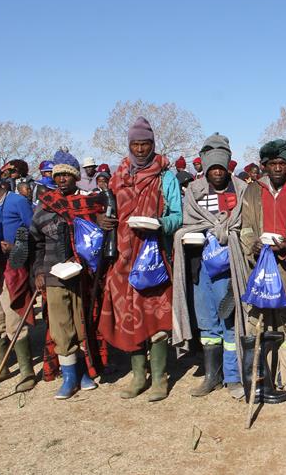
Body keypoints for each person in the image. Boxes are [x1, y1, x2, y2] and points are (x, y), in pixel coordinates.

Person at [97, 117, 183, 402]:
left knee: (155, 315)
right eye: (136, 144)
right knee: (129, 316)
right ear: (129, 145)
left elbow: (178, 217)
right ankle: (138, 376)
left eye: (146, 144)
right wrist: (103, 221)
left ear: (153, 144)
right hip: (122, 257)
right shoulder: (117, 177)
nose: (141, 149)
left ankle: (159, 378)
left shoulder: (165, 177)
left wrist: (159, 224)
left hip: (154, 258)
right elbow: (108, 213)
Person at [172, 133, 247, 400]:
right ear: (204, 166)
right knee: (207, 324)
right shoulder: (193, 191)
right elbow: (188, 224)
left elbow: (244, 224)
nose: (216, 172)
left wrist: (228, 234)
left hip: (229, 267)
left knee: (230, 319)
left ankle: (233, 376)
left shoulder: (240, 190)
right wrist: (204, 233)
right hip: (199, 265)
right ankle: (211, 376)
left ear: (227, 166)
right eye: (211, 167)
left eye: (221, 167)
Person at [30, 150, 108, 399]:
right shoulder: (45, 206)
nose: (62, 179)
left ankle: (85, 372)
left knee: (82, 322)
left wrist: (99, 220)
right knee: (61, 327)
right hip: (53, 275)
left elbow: (97, 238)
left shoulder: (90, 204)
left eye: (67, 174)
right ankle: (70, 377)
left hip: (81, 274)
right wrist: (38, 272)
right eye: (59, 175)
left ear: (75, 177)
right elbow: (36, 244)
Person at [240, 139, 286, 399]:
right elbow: (245, 227)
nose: (278, 168)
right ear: (265, 166)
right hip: (260, 269)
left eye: (283, 163)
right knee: (257, 324)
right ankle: (258, 378)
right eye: (273, 163)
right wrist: (254, 246)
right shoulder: (252, 191)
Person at [0, 157, 35, 392]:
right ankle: (1, 367)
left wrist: (15, 247)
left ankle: (26, 371)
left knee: (14, 318)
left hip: (12, 268)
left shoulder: (17, 202)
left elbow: (34, 233)